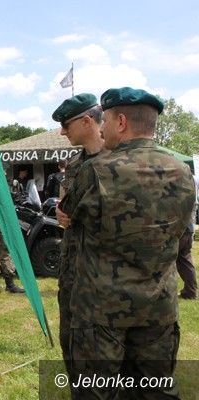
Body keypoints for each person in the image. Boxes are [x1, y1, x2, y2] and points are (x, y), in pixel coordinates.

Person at [66, 87, 195, 398]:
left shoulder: (95, 170)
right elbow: (182, 232)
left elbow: (69, 214)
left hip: (101, 312)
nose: (102, 128)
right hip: (158, 308)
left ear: (121, 122)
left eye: (106, 120)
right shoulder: (183, 172)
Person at [51, 93, 104, 378]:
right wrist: (61, 213)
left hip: (104, 277)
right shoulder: (74, 164)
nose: (62, 132)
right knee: (70, 342)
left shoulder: (120, 161)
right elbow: (66, 205)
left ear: (87, 121)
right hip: (73, 270)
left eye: (66, 125)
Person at [177, 177, 197, 300]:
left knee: (168, 261)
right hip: (189, 229)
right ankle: (190, 292)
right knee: (185, 260)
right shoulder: (192, 187)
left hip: (181, 231)